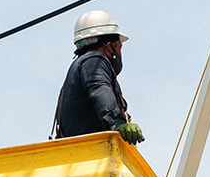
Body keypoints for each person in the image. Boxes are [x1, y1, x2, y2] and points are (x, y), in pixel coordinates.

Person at [53, 10, 144, 145]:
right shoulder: (94, 62)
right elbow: (100, 90)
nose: (120, 53)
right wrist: (117, 123)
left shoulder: (78, 68)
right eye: (119, 47)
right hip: (91, 154)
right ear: (110, 47)